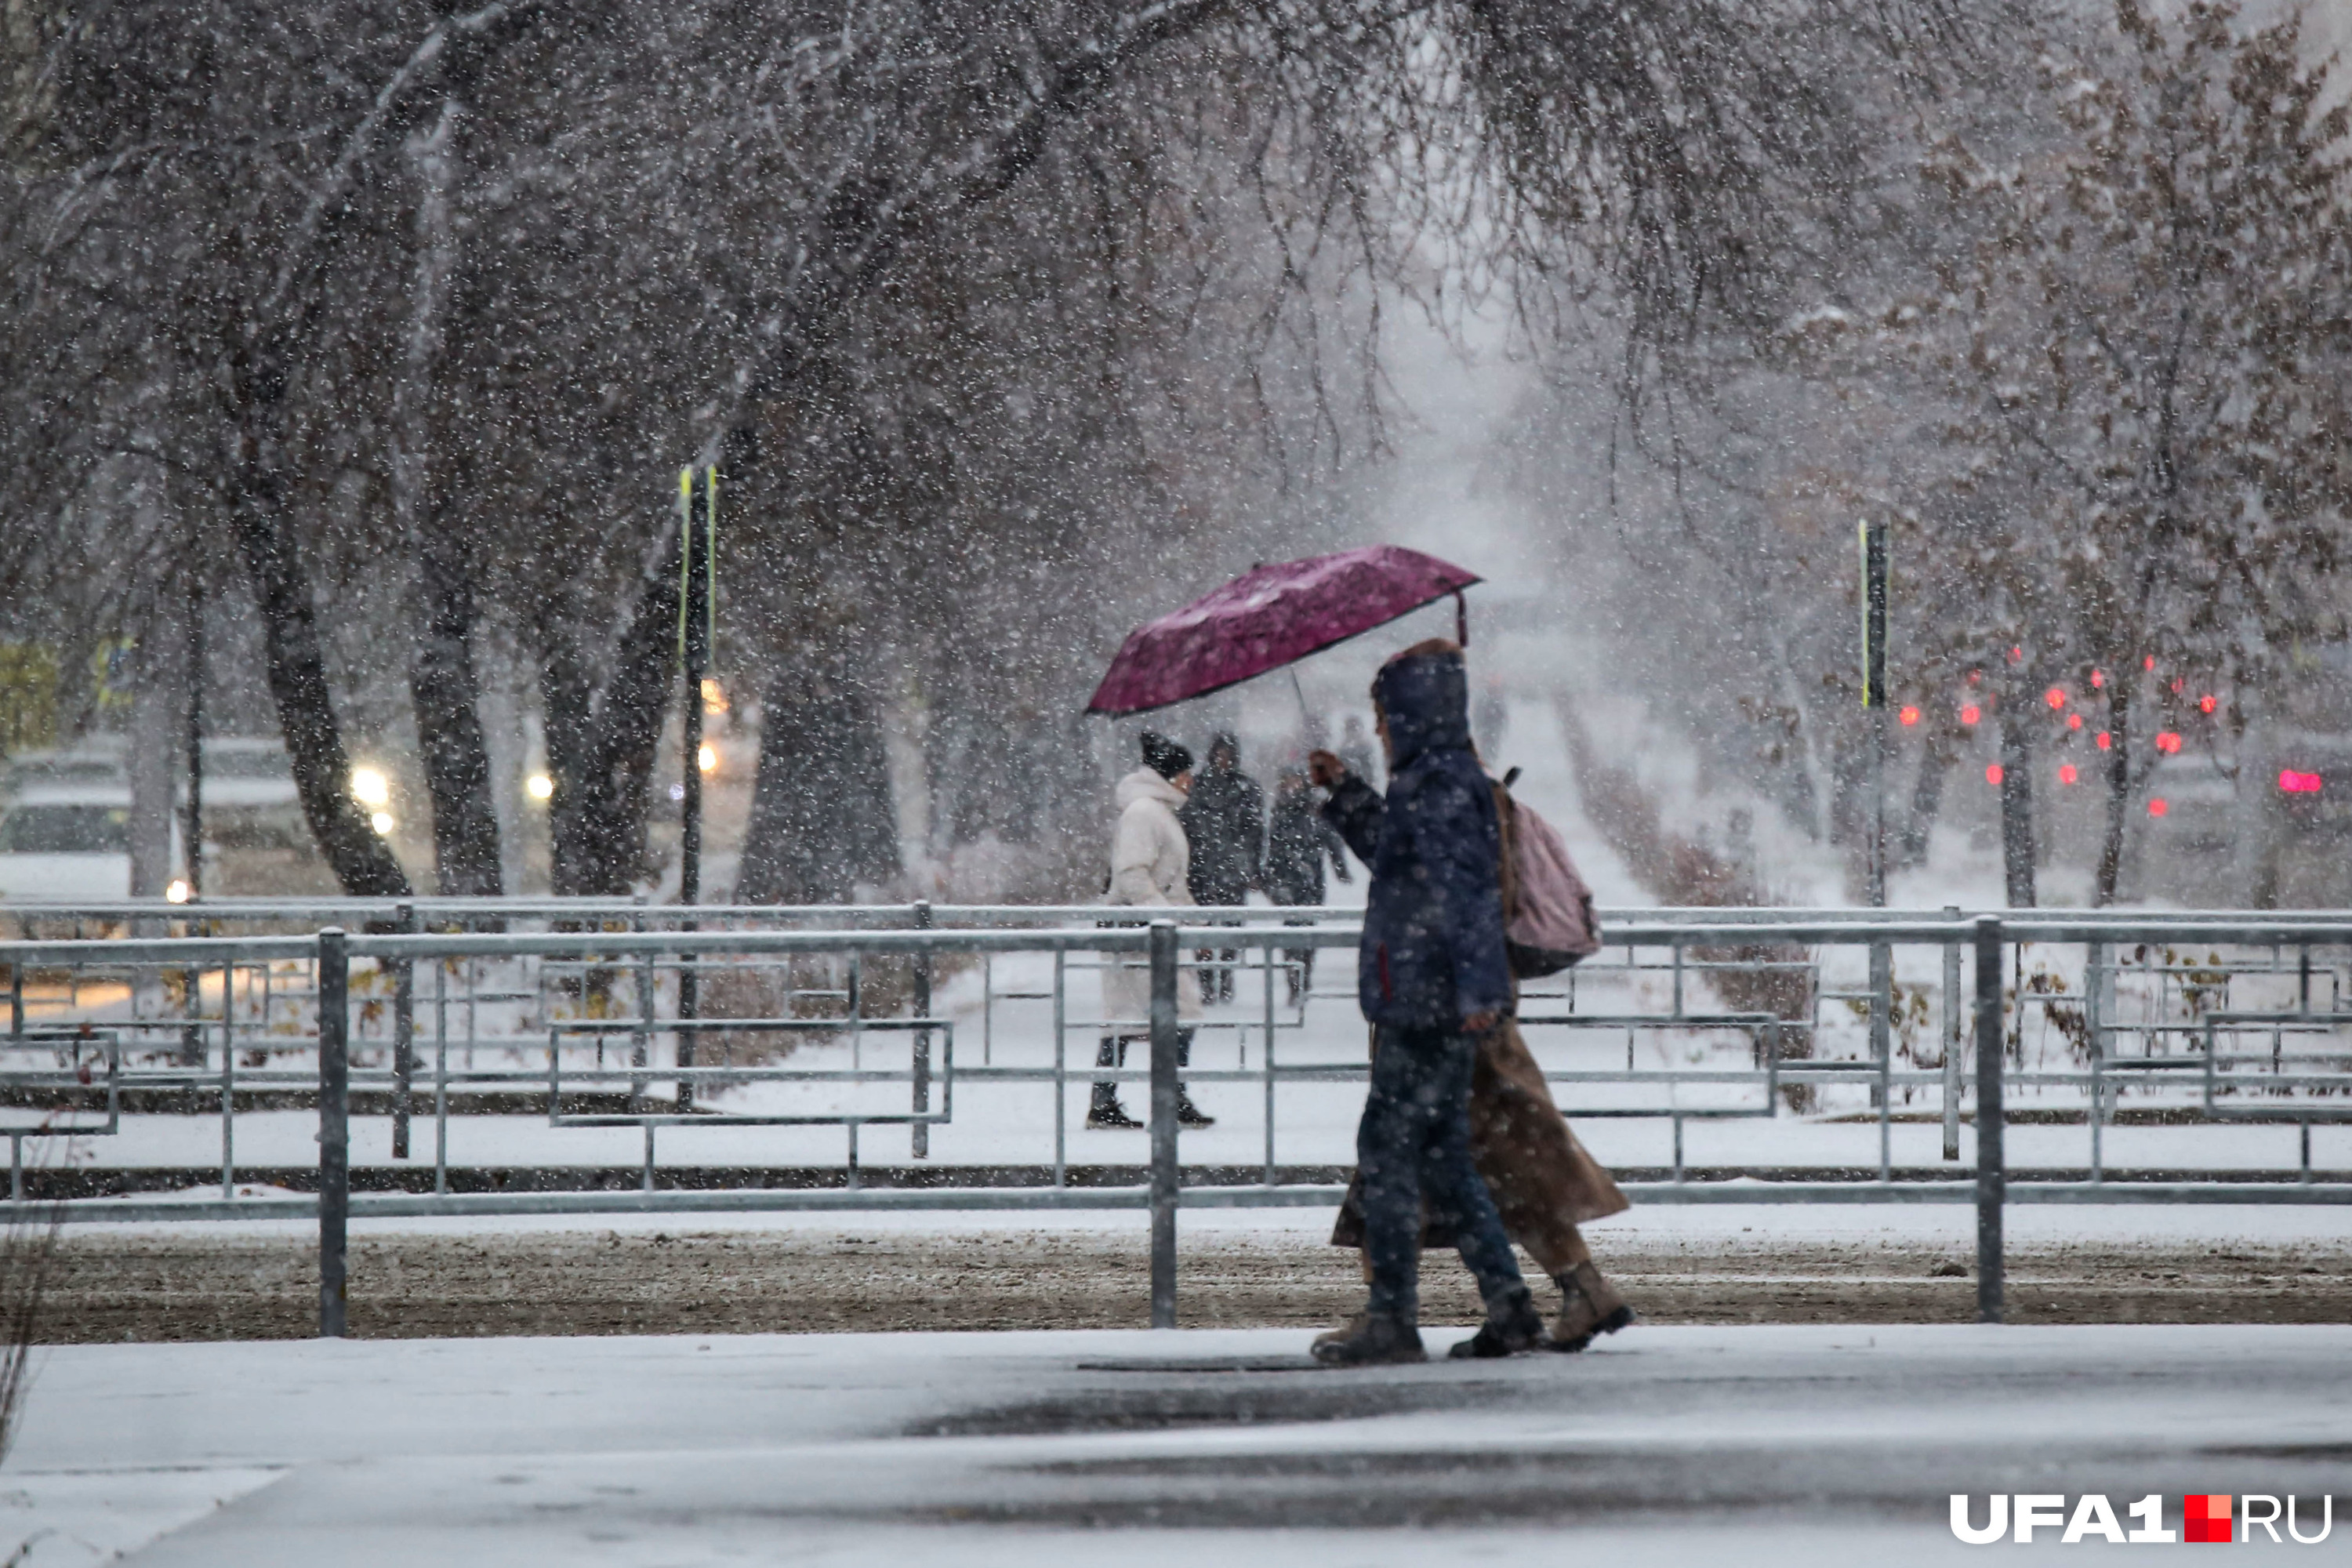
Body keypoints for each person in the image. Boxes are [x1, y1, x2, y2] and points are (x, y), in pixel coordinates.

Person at [1305, 639, 1544, 1366]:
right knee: (1441, 1157)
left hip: (1426, 1000)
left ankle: (1393, 1319)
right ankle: (1510, 1310)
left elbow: (1465, 894)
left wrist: (1473, 989)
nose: (1378, 726)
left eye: (1384, 713)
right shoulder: (1428, 780)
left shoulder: (1437, 784)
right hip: (1426, 992)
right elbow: (1401, 859)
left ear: (1411, 713)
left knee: (1387, 1149)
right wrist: (1346, 791)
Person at [1093, 731, 1214, 1130]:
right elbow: (1133, 875)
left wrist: (1193, 922)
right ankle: (1146, 1100)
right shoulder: (1145, 813)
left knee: (1157, 1015)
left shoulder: (1157, 811)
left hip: (1152, 932)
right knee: (1132, 1017)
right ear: (1168, 774)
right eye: (1185, 772)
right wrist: (1169, 918)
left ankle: (1129, 1100)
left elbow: (1170, 882)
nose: (1191, 780)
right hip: (1140, 935)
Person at [1179, 732, 1264, 1004]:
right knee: (1202, 927)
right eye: (1219, 753)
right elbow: (1186, 823)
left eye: (1228, 753)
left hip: (1233, 869)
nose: (1223, 759)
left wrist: (1252, 867)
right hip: (1201, 867)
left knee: (1231, 928)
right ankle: (1206, 981)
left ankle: (1225, 976)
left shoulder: (1246, 788)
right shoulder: (1198, 786)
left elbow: (1255, 831)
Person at [1265, 765, 1351, 1004]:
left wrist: (1340, 867)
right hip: (1287, 881)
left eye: (1296, 782)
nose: (1293, 787)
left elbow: (1331, 839)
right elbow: (1272, 848)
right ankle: (1294, 980)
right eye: (1288, 782)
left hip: (1312, 881)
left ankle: (1304, 975)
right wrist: (1271, 877)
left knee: (1308, 933)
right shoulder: (1280, 813)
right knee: (1292, 931)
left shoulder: (1315, 813)